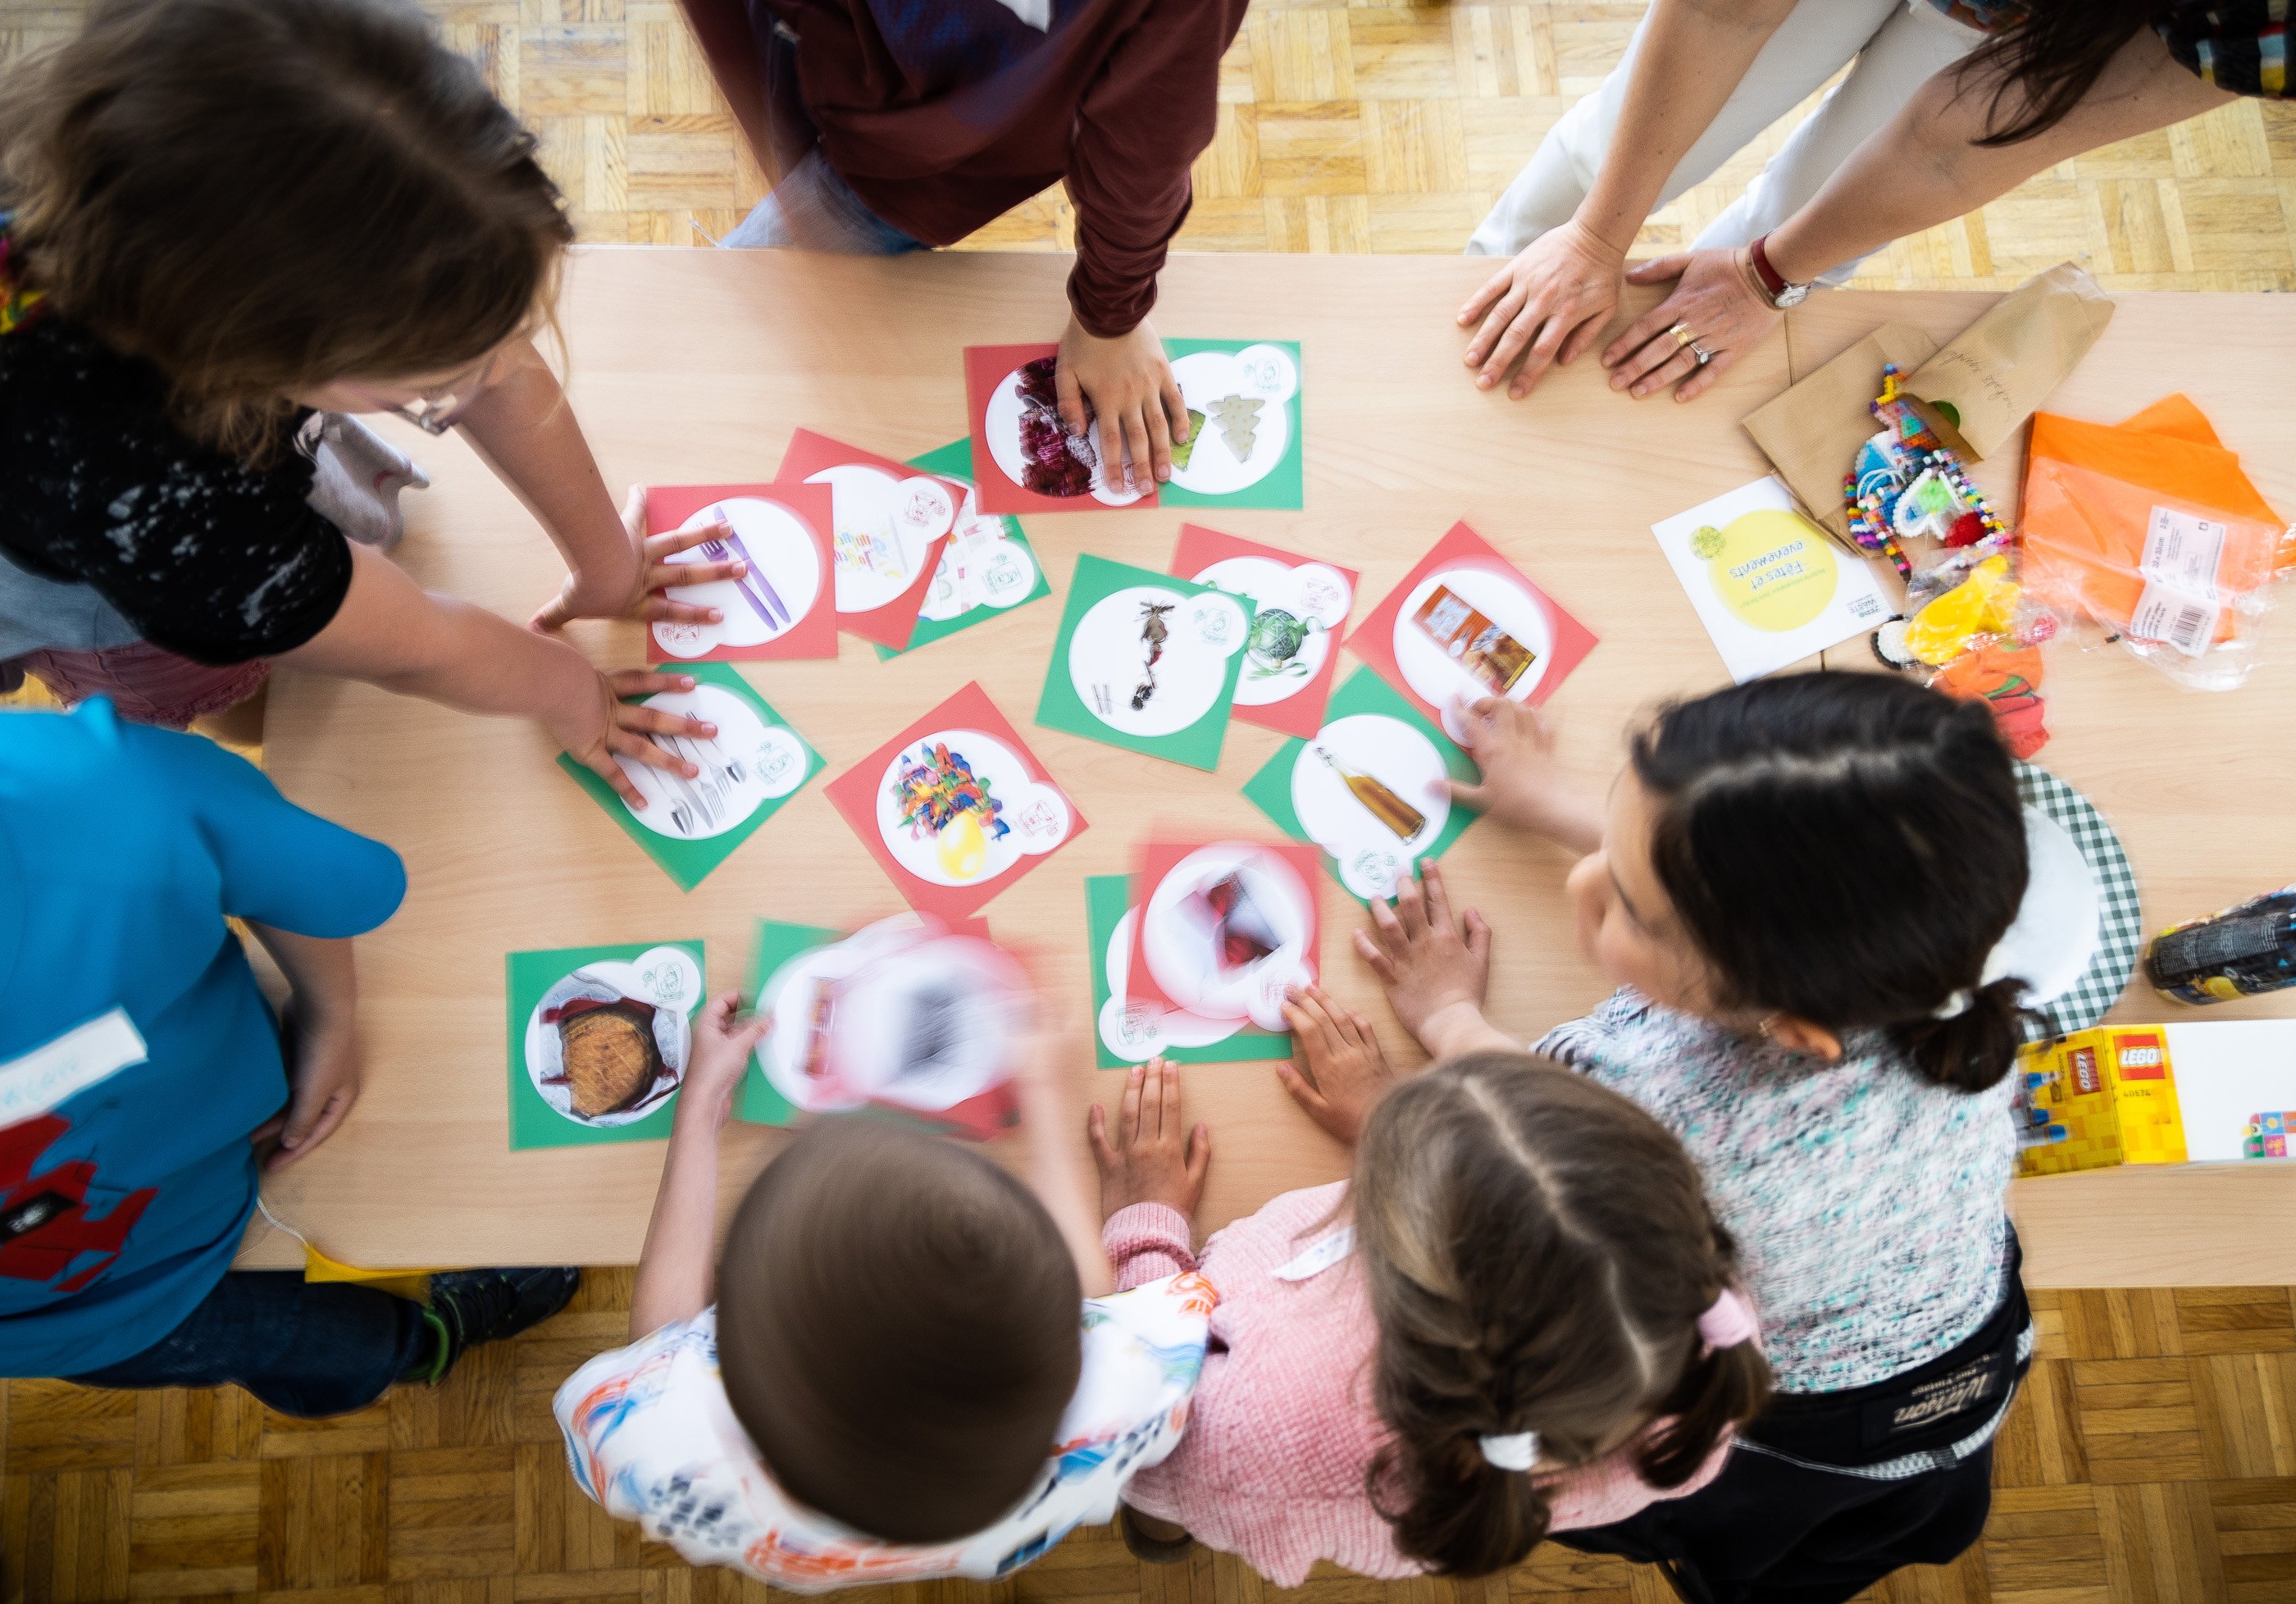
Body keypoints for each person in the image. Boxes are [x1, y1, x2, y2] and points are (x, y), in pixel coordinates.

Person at [1357, 675, 2034, 1601]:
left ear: (1790, 1027)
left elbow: (1515, 1129)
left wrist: (1445, 1015)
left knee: (1721, 1531)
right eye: (1613, 831)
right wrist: (1554, 802)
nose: (1580, 877)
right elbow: (1772, 885)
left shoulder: (1637, 1099)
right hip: (1968, 1357)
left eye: (1632, 906)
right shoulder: (1944, 980)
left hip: (1798, 1428)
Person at [0, 0, 741, 808]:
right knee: (217, 687)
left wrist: (608, 566)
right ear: (265, 354)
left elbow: (491, 362)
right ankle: (234, 704)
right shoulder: (175, 513)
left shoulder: (206, 186)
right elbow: (418, 646)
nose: (486, 372)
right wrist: (576, 693)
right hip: (102, 597)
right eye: (432, 386)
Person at [0, 698, 576, 1415]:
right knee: (327, 1344)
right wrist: (328, 1013)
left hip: (235, 1129)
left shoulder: (78, 797)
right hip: (97, 1318)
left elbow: (300, 873)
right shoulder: (87, 788)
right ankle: (431, 1339)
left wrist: (328, 1021)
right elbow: (305, 872)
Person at [555, 1005, 1215, 1585]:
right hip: (1004, 1529)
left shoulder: (662, 1454)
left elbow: (657, 1343)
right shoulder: (1126, 1401)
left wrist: (698, 1111)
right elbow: (1095, 1297)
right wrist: (1043, 1097)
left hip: (793, 1546)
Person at [1098, 1050, 1769, 1582]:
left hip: (1182, 1443)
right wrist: (1425, 1130)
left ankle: (1162, 1545)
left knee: (1158, 1504)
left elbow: (1149, 1447)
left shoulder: (1245, 1441)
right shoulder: (1688, 1336)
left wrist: (1148, 1237)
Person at [1456, 0, 2260, 405]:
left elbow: (1950, 152)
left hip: (2044, 28)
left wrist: (1763, 277)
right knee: (1607, 149)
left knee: (1795, 227)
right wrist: (1597, 237)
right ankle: (1475, 285)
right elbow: (1720, 12)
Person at [681, 0, 1247, 492]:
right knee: (722, 350)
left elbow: (1143, 145)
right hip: (808, 73)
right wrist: (774, 147)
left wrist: (1111, 318)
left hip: (921, 172)